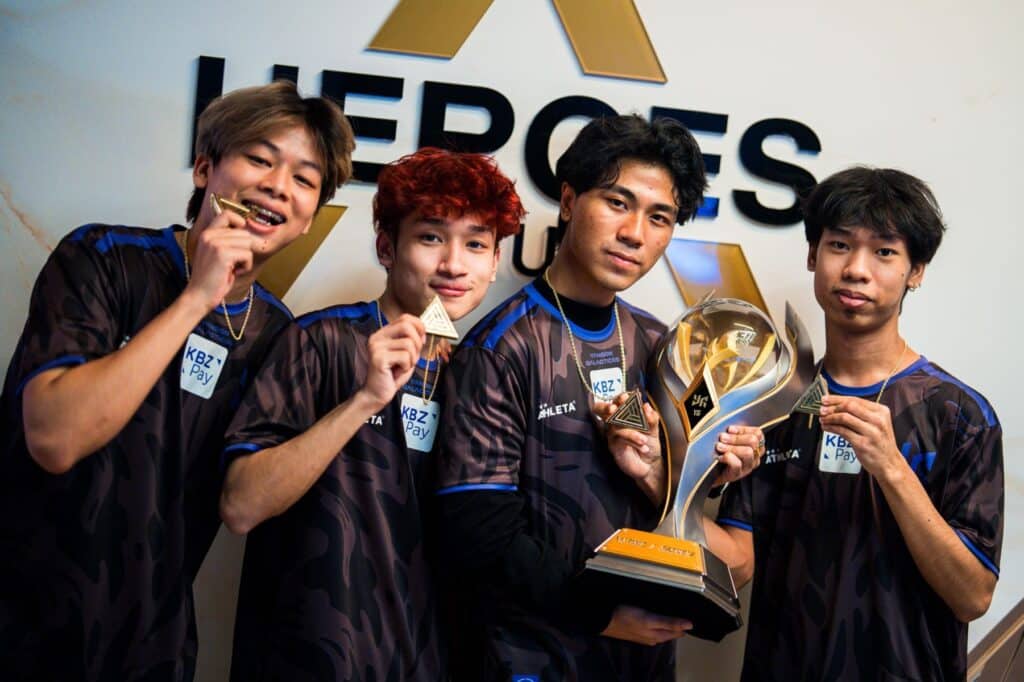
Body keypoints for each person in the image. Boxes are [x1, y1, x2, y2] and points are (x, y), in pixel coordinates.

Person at [0, 80, 354, 681]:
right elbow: (55, 439)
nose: (277, 185)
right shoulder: (105, 257)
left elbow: (244, 505)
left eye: (304, 179)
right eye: (259, 158)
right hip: (21, 625)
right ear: (204, 168)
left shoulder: (279, 335)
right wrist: (196, 298)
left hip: (152, 649)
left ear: (307, 222)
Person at [433, 114, 765, 682]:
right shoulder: (501, 348)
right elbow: (476, 530)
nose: (635, 233)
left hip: (644, 659)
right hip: (525, 658)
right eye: (617, 203)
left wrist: (722, 468)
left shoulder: (666, 347)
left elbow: (687, 500)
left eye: (659, 217)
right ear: (568, 201)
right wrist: (601, 614)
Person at [218, 147, 525, 681]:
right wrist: (363, 400)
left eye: (476, 244)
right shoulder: (322, 341)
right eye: (431, 237)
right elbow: (241, 505)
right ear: (387, 247)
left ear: (495, 262)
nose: (454, 265)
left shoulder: (485, 372)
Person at [710, 166, 1003, 680]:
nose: (856, 270)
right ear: (813, 255)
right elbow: (736, 567)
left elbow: (972, 597)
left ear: (916, 271)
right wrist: (679, 483)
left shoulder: (960, 415)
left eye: (884, 252)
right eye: (840, 245)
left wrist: (891, 467)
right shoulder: (773, 405)